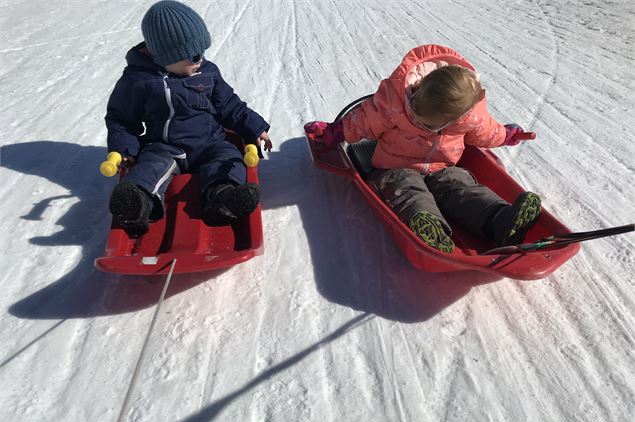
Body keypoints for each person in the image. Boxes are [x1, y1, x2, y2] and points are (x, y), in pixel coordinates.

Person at [305, 44, 541, 253]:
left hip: (442, 168)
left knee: (461, 185)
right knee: (406, 190)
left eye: (428, 124)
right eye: (416, 116)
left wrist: (507, 135)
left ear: (456, 119)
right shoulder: (395, 105)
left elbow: (488, 132)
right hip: (395, 166)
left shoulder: (469, 117)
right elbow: (363, 120)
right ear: (418, 89)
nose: (420, 124)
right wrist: (333, 132)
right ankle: (428, 226)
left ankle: (500, 220)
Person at [105, 0, 272, 236]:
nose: (200, 59)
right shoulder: (139, 80)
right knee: (149, 167)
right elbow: (121, 118)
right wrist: (124, 149)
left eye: (203, 52)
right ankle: (137, 204)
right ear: (162, 56)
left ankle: (222, 199)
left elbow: (229, 104)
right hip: (165, 146)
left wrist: (254, 128)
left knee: (229, 159)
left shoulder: (208, 72)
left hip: (210, 142)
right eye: (194, 55)